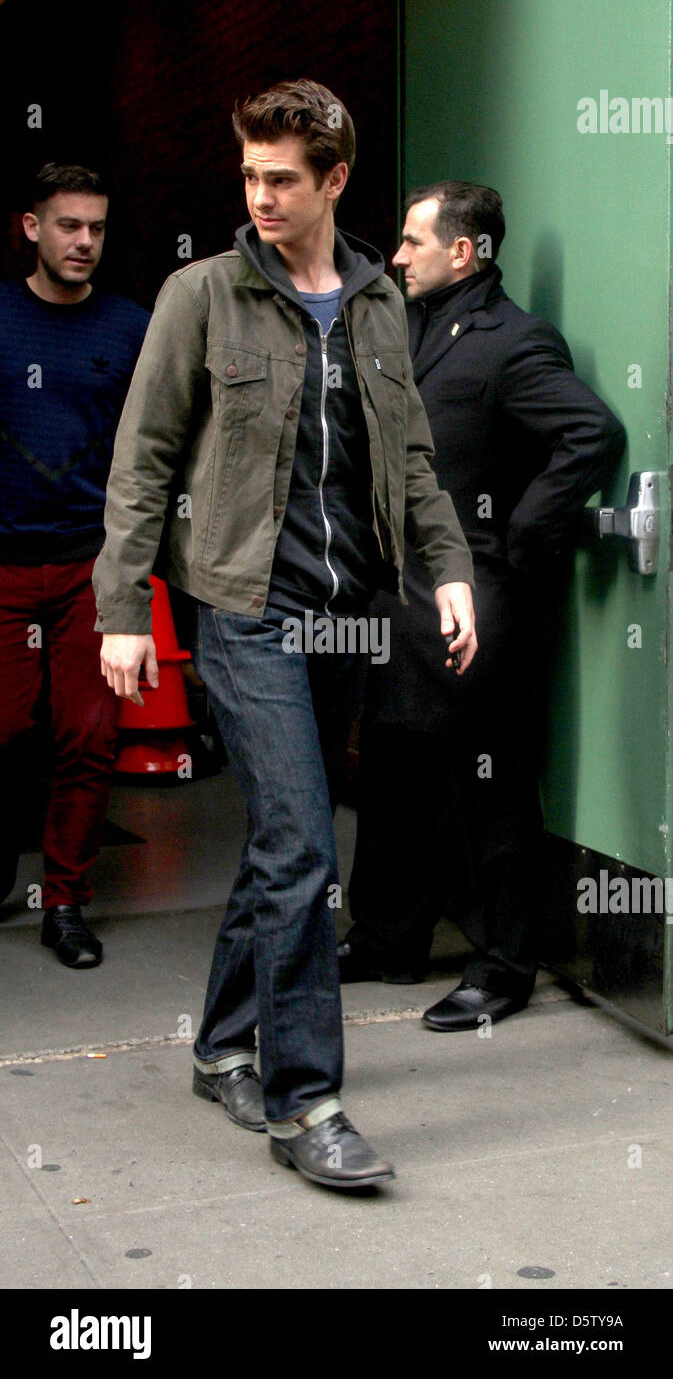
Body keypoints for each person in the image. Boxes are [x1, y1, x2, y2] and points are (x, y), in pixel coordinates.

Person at [93, 81, 476, 1191]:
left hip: (345, 615)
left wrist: (449, 567)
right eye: (249, 175)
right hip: (243, 611)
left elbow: (406, 458)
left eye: (282, 179)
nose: (259, 196)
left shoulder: (375, 307)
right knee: (306, 844)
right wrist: (125, 610)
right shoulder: (199, 296)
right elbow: (143, 458)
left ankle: (221, 1045)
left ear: (335, 180)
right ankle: (307, 1098)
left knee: (281, 845)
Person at [340, 181, 625, 1030]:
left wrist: (523, 539)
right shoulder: (405, 327)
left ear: (463, 252)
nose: (396, 257)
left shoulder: (515, 341)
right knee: (389, 769)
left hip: (477, 602)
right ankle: (389, 938)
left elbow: (592, 433)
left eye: (412, 243)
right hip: (398, 600)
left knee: (485, 785)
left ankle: (504, 967)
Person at [0, 163, 149, 967]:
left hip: (95, 567)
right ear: (33, 227)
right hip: (2, 564)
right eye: (67, 225)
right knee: (5, 726)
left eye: (95, 227)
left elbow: (163, 442)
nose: (83, 241)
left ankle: (64, 903)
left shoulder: (131, 328)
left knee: (90, 736)